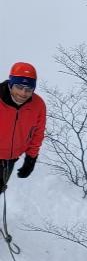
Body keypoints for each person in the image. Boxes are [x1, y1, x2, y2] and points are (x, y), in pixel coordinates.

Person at [0, 61, 46, 194]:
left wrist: (31, 159)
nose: (23, 93)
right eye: (19, 87)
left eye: (29, 89)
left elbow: (37, 133)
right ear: (10, 84)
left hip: (10, 159)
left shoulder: (38, 105)